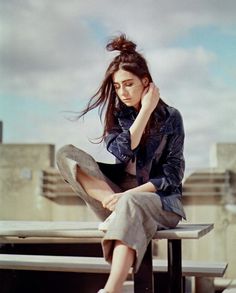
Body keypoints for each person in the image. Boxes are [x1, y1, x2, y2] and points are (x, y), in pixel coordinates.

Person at [56, 34, 186, 293]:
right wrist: (144, 112)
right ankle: (114, 208)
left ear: (145, 82)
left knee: (131, 204)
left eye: (129, 84)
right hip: (115, 195)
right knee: (65, 154)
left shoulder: (171, 117)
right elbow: (124, 150)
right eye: (117, 86)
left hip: (158, 199)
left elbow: (173, 174)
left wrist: (128, 195)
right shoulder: (117, 114)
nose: (122, 92)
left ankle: (111, 289)